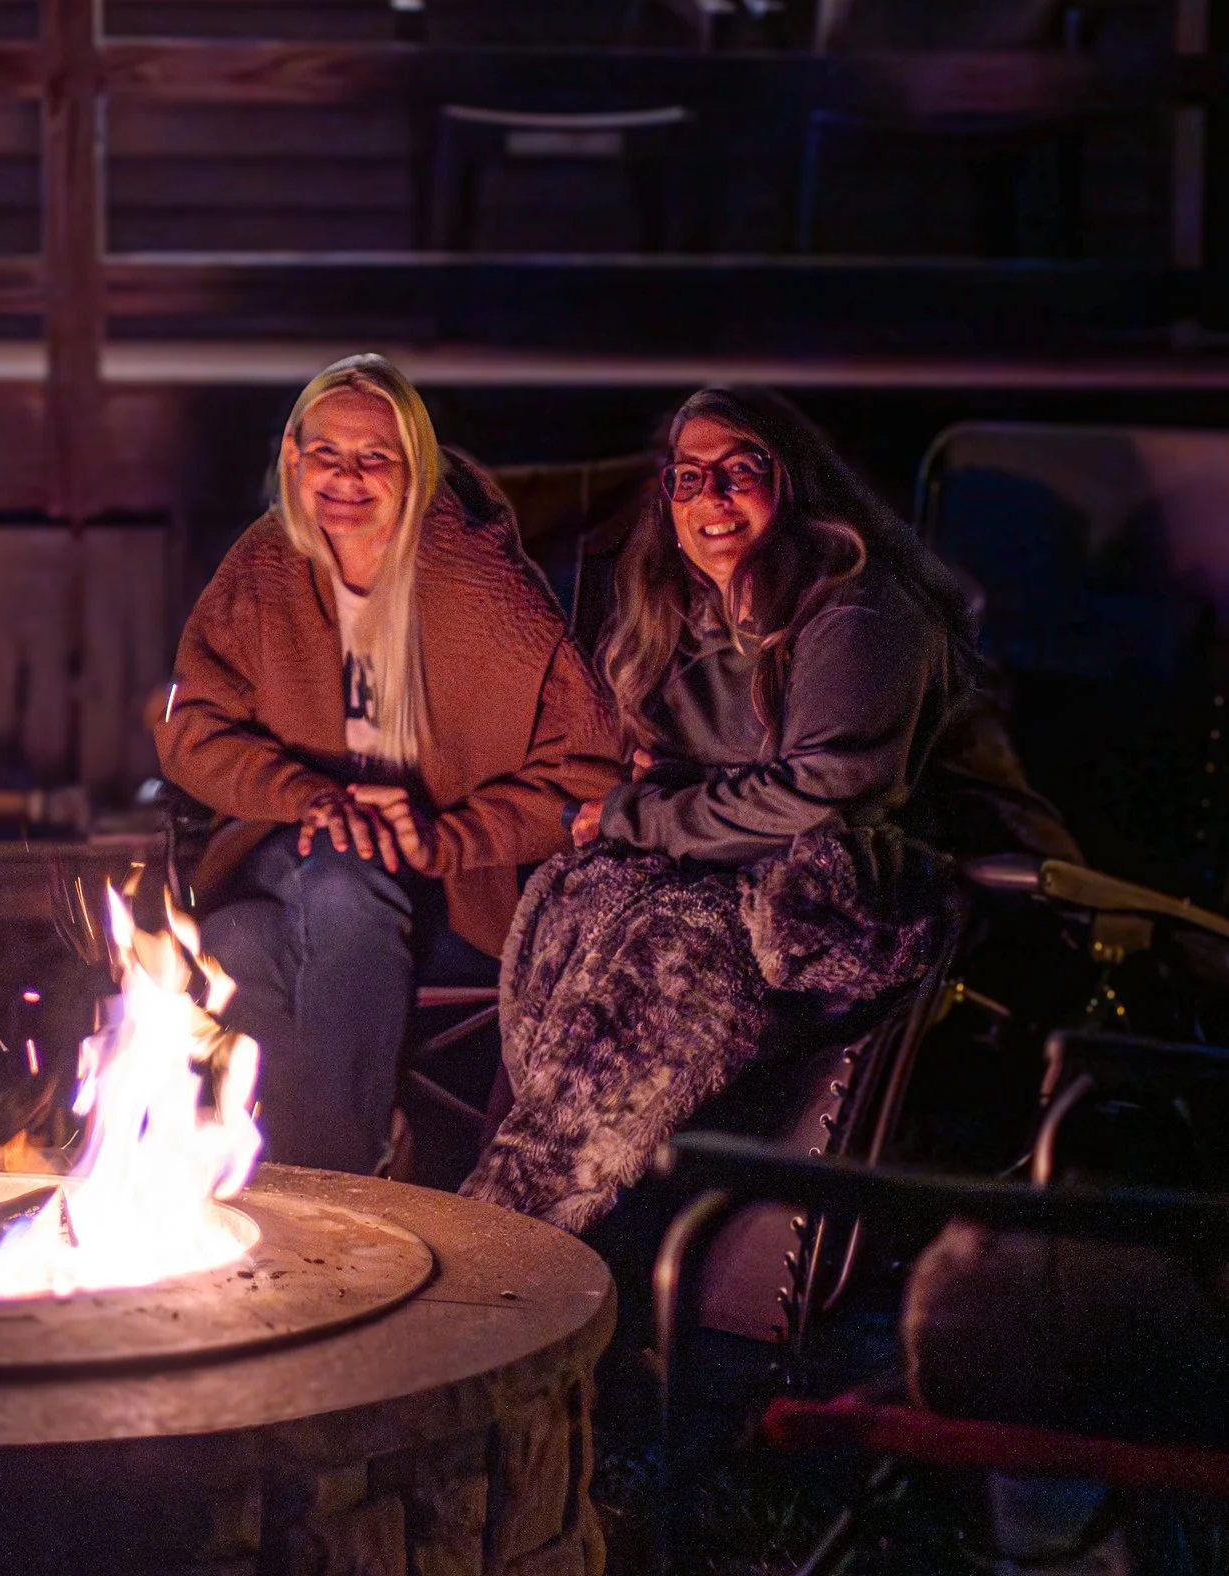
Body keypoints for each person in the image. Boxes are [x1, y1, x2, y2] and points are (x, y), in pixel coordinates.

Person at [463, 387, 996, 1231]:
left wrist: (646, 811)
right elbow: (675, 777)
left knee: (673, 954)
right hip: (714, 879)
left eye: (741, 469)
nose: (712, 495)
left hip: (834, 910)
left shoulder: (859, 614)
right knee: (579, 901)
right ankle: (570, 1244)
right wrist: (658, 799)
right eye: (688, 477)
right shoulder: (689, 619)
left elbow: (816, 795)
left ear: (794, 484)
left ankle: (514, 1235)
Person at [156, 353, 622, 1177]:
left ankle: (324, 1190)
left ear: (415, 471)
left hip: (449, 886)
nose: (346, 476)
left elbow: (589, 766)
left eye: (374, 456)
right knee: (260, 916)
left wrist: (448, 836)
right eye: (325, 453)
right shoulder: (266, 565)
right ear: (293, 460)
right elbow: (189, 726)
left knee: (250, 936)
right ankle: (330, 1179)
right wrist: (305, 792)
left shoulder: (478, 582)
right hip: (290, 843)